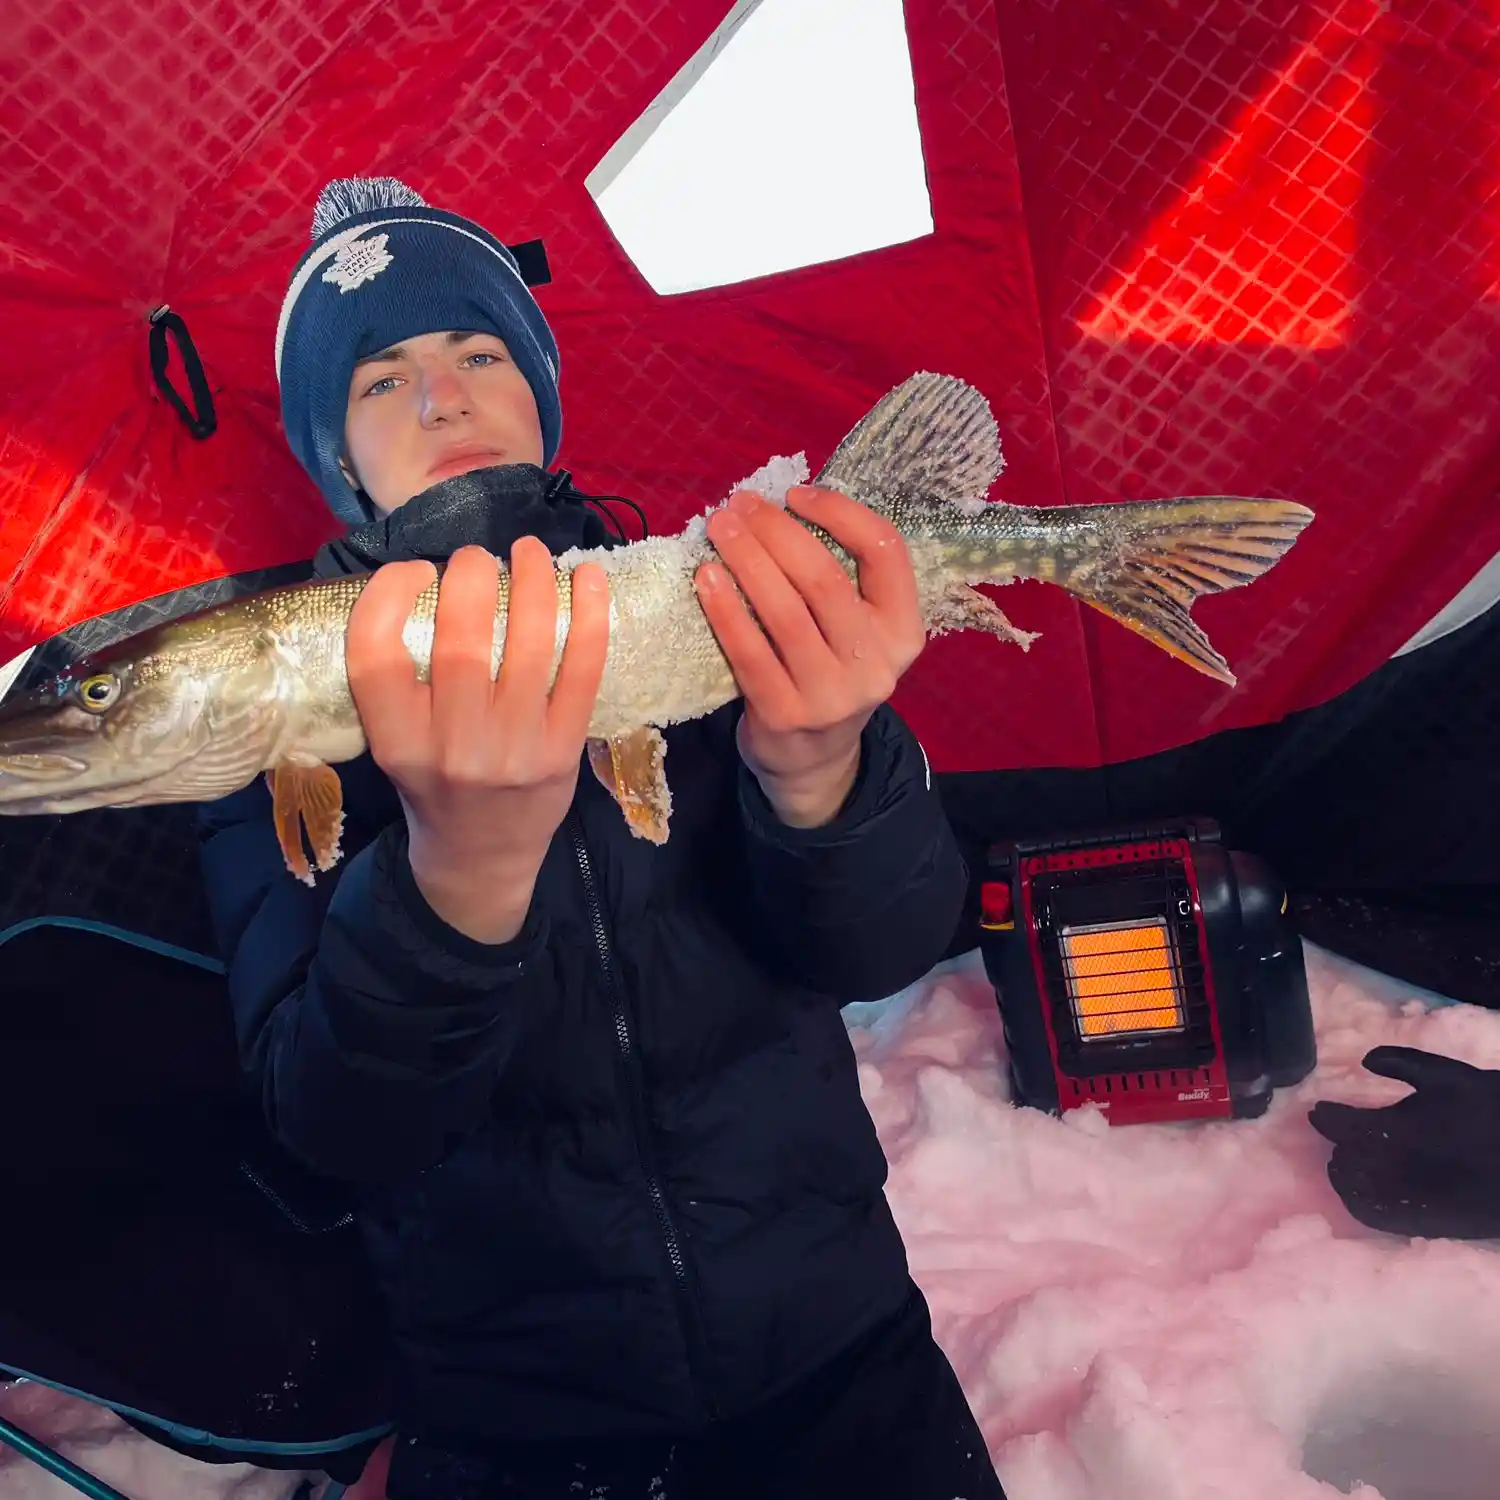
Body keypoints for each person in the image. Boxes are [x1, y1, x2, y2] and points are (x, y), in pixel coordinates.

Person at [199, 176, 1006, 1500]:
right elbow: (335, 1121)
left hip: (842, 1354)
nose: (443, 397)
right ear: (332, 455)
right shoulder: (273, 724)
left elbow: (885, 942)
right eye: (380, 379)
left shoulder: (721, 603)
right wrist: (453, 882)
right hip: (517, 1428)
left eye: (477, 353)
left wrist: (824, 770)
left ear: (538, 387)